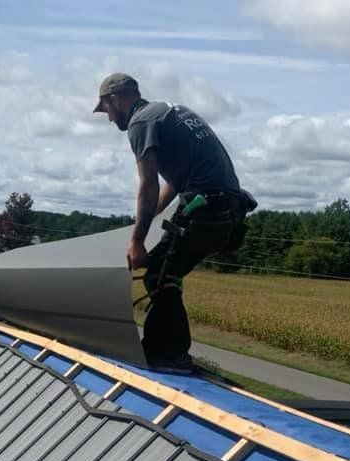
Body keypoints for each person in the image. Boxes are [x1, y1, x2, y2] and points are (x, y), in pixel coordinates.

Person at [93, 72, 256, 369]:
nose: (107, 117)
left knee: (158, 274)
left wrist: (138, 240)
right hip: (228, 208)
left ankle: (168, 356)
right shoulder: (168, 111)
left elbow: (148, 184)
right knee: (169, 270)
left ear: (115, 99)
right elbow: (175, 182)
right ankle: (167, 351)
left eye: (105, 109)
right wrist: (149, 221)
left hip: (206, 207)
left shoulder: (141, 123)